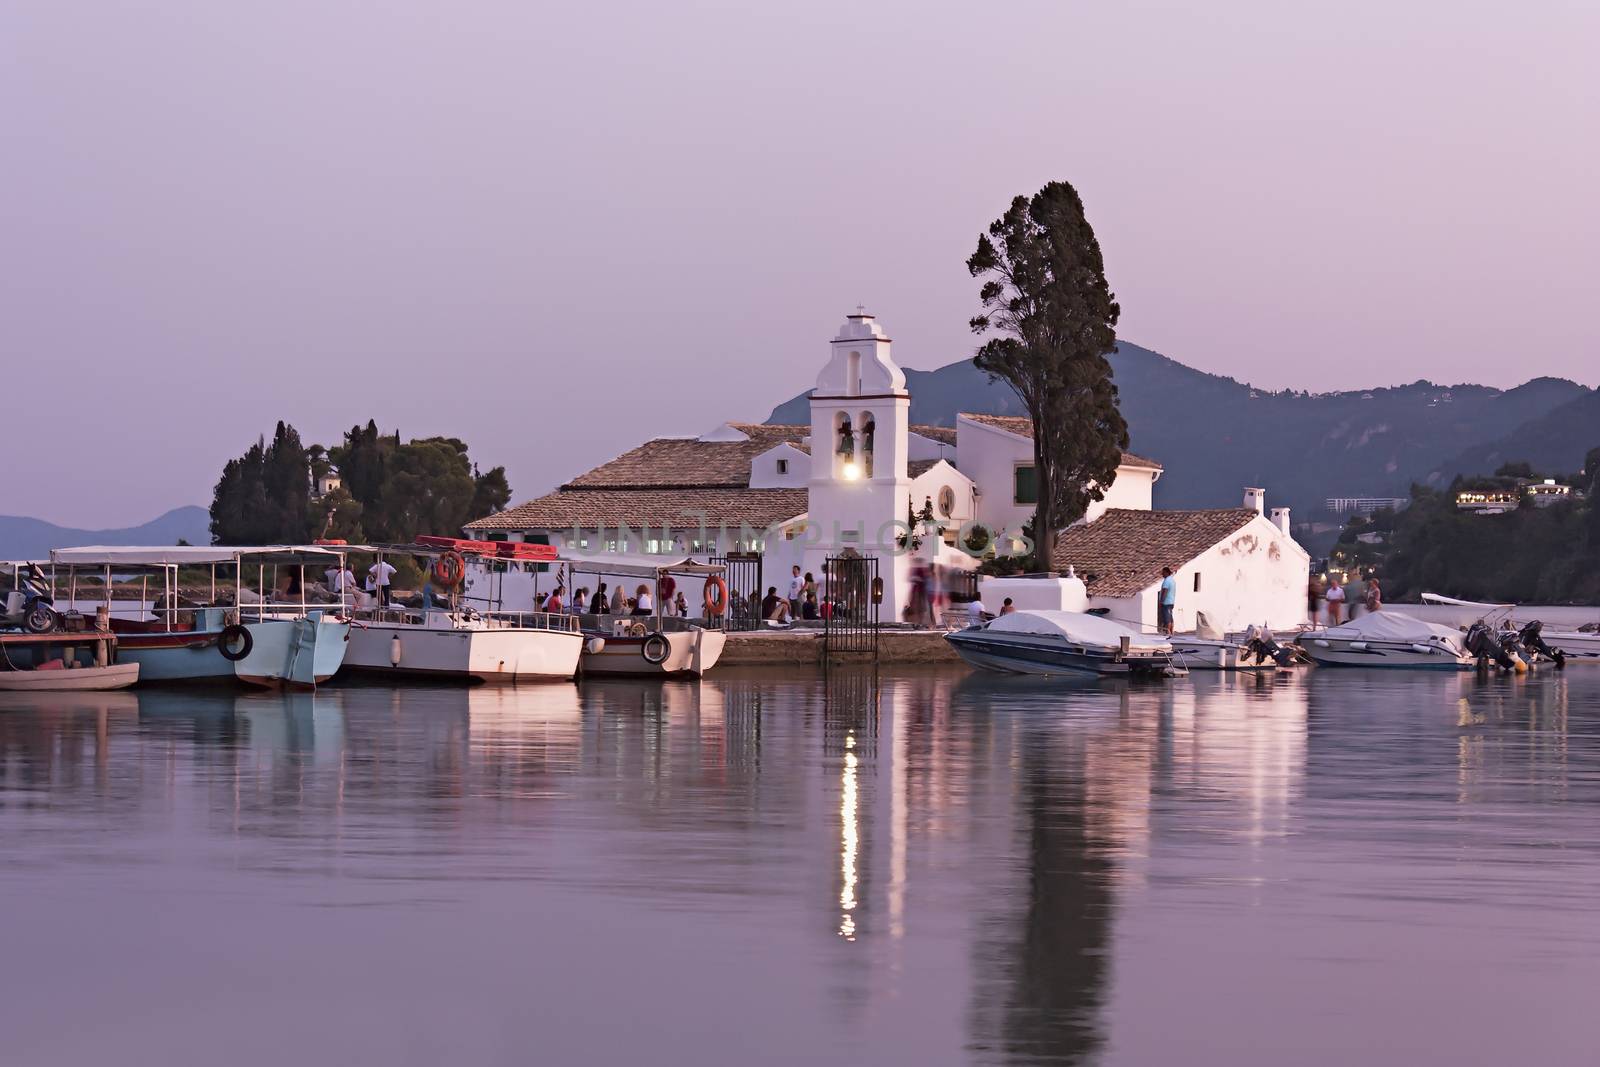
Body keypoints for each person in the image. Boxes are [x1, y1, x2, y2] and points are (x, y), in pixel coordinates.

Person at [1157, 566, 1177, 636]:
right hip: (1171, 602)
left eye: (1163, 573)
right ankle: (1171, 632)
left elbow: (1165, 591)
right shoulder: (1172, 580)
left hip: (1166, 602)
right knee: (1170, 617)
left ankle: (1168, 632)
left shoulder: (1167, 581)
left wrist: (1161, 601)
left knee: (1167, 618)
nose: (1162, 574)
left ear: (1166, 572)